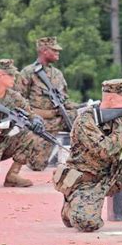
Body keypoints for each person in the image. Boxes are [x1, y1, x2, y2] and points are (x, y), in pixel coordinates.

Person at [54, 78, 122, 232]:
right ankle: (70, 206)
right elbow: (104, 151)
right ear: (111, 99)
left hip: (110, 175)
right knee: (87, 224)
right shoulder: (86, 120)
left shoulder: (119, 118)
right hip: (85, 181)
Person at [20, 36, 79, 171]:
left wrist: (81, 106)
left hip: (59, 119)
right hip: (40, 123)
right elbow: (20, 101)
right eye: (54, 50)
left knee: (83, 121)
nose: (58, 52)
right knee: (37, 165)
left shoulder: (57, 74)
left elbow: (65, 100)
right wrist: (35, 116)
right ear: (44, 51)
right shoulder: (28, 73)